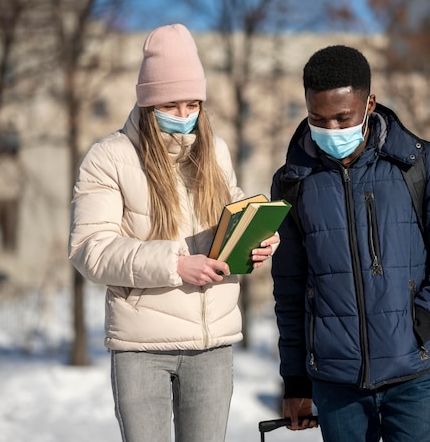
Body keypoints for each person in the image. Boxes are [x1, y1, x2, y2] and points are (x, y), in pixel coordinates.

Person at [68, 24, 278, 442]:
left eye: (192, 104)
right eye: (171, 105)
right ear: (148, 103)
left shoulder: (215, 151)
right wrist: (176, 264)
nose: (183, 116)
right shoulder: (109, 157)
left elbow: (232, 213)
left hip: (211, 346)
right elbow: (90, 249)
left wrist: (258, 240)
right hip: (142, 350)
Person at [270, 45, 430, 442]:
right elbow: (290, 288)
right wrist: (295, 380)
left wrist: (425, 318)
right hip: (336, 386)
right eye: (318, 119)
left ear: (369, 103)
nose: (331, 130)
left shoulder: (420, 163)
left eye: (343, 117)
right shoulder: (291, 182)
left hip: (414, 377)